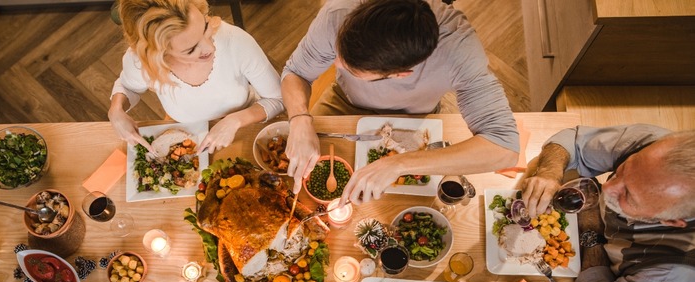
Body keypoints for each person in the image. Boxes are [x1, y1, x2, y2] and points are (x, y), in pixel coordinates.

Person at [280, 0, 519, 199]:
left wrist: (399, 164)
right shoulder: (339, 13)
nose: (335, 64)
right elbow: (297, 72)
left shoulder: (459, 50)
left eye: (351, 69)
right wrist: (300, 118)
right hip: (345, 101)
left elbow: (503, 147)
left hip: (415, 116)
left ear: (399, 74)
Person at [521, 125, 695, 282]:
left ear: (671, 221)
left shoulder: (671, 276)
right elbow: (572, 141)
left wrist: (591, 233)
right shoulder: (655, 147)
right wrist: (549, 173)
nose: (607, 188)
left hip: (615, 278)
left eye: (628, 195)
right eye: (623, 169)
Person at [109, 0, 284, 154]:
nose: (210, 48)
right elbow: (128, 86)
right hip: (186, 133)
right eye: (191, 49)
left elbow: (278, 99)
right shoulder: (141, 61)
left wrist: (234, 120)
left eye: (205, 28)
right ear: (159, 55)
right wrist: (116, 110)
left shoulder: (235, 41)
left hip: (246, 125)